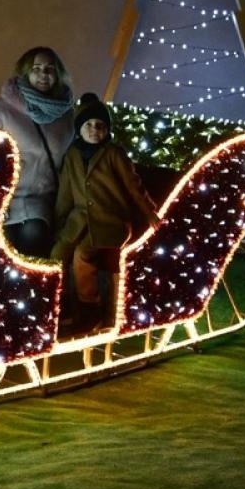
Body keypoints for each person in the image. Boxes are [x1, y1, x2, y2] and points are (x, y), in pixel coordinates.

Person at [51, 93, 159, 336]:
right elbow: (66, 193)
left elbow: (134, 186)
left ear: (107, 130)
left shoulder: (113, 153)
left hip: (110, 221)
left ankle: (90, 308)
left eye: (100, 125)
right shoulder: (73, 155)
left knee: (83, 254)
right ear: (80, 128)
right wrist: (59, 223)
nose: (94, 130)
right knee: (57, 254)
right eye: (88, 125)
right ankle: (59, 305)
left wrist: (149, 212)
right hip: (79, 221)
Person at [0, 47, 75, 258]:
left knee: (33, 237)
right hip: (3, 199)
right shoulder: (2, 109)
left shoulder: (67, 115)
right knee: (1, 251)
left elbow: (71, 161)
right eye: (36, 68)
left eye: (50, 69)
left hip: (41, 202)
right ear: (25, 73)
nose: (44, 74)